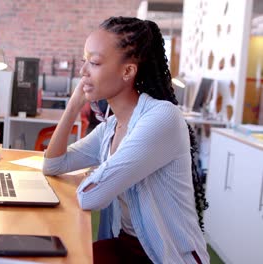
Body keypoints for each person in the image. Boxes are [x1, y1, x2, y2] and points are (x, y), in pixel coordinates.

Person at [42, 16, 209, 264]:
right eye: (84, 61)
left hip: (166, 256)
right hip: (128, 245)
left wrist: (96, 178)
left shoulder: (162, 117)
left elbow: (91, 197)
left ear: (128, 71)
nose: (83, 71)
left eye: (95, 62)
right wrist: (75, 103)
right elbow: (52, 165)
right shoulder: (111, 126)